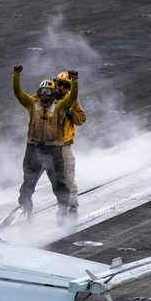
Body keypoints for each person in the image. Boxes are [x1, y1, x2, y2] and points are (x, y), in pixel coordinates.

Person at [12, 66, 78, 217]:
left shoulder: (60, 107)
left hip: (53, 149)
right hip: (33, 148)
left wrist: (74, 81)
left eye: (48, 92)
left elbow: (72, 97)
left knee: (58, 181)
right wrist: (16, 76)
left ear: (54, 93)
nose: (44, 95)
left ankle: (63, 206)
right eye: (42, 92)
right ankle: (25, 204)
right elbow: (18, 93)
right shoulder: (32, 104)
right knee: (28, 178)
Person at [55, 70, 85, 213]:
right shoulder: (47, 97)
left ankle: (72, 204)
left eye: (65, 85)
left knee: (68, 174)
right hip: (48, 145)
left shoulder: (72, 100)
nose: (61, 87)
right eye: (59, 84)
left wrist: (71, 114)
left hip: (65, 144)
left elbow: (81, 118)